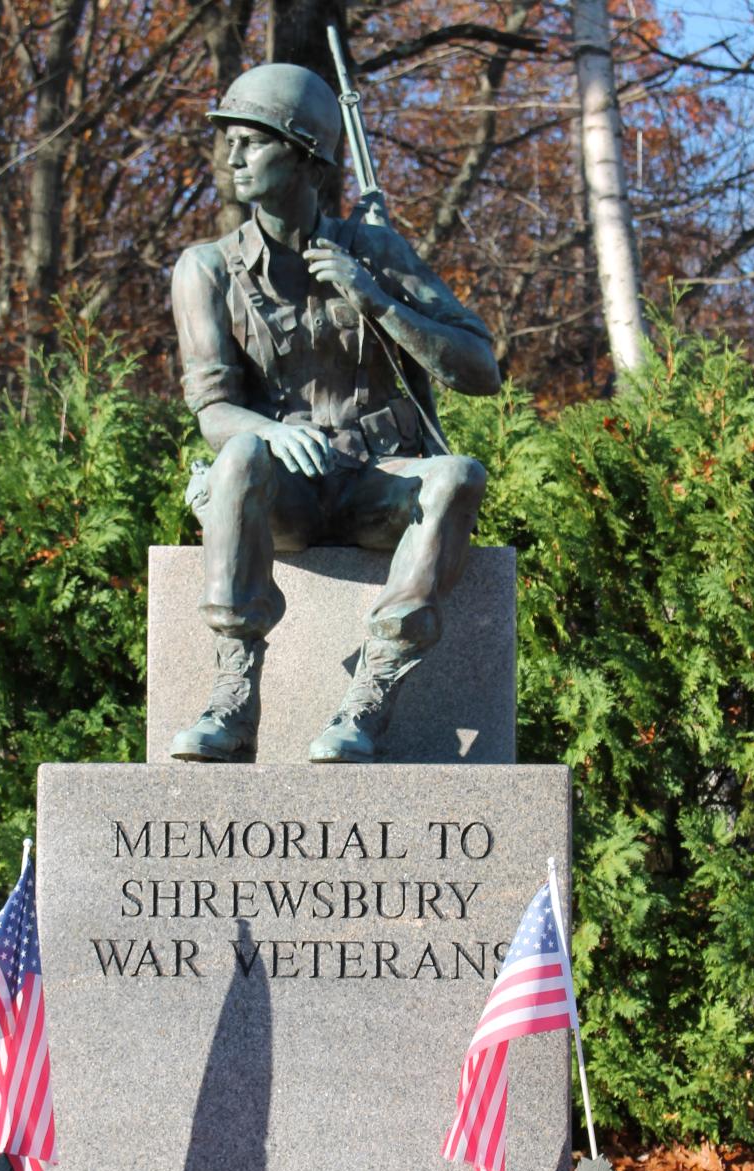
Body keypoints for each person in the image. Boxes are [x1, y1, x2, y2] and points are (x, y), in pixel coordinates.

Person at [169, 63, 500, 764]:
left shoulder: (374, 251)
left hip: (376, 481)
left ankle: (372, 694)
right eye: (228, 138)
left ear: (307, 157)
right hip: (282, 491)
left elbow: (480, 368)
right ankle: (234, 695)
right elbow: (215, 409)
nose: (232, 155)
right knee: (240, 455)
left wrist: (379, 301)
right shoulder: (206, 270)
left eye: (254, 141)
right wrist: (271, 433)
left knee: (457, 476)